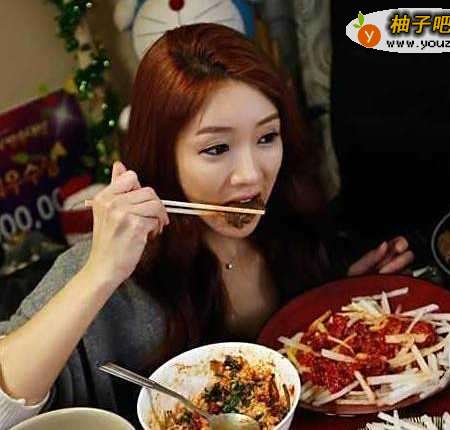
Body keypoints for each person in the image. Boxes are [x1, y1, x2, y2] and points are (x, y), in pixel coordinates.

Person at [0, 23, 413, 428]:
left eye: (267, 138)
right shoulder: (109, 266)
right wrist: (99, 273)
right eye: (216, 148)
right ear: (164, 156)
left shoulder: (291, 221)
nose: (251, 175)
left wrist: (343, 303)